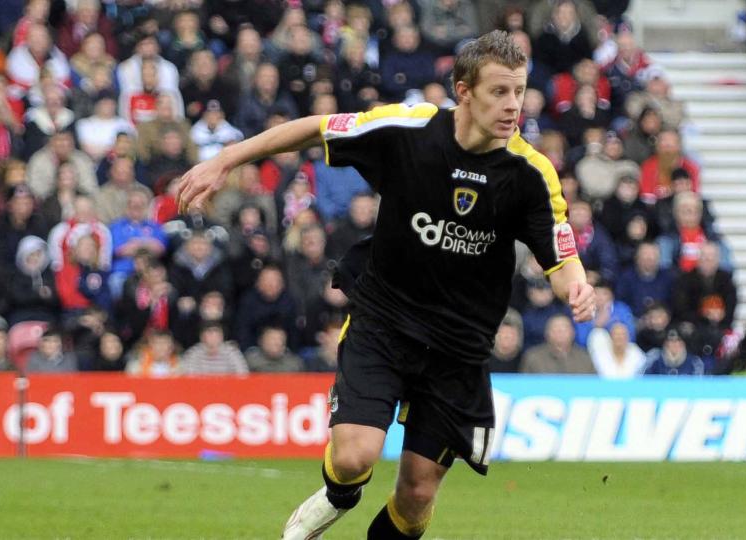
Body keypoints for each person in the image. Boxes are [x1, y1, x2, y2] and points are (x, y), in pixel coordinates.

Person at [175, 30, 595, 540]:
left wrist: (576, 286)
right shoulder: (408, 129)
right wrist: (224, 160)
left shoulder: (531, 172)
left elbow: (560, 253)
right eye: (499, 92)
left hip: (458, 348)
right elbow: (315, 128)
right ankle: (338, 495)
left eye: (519, 92)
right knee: (353, 458)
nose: (513, 105)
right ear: (464, 92)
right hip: (385, 322)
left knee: (416, 497)